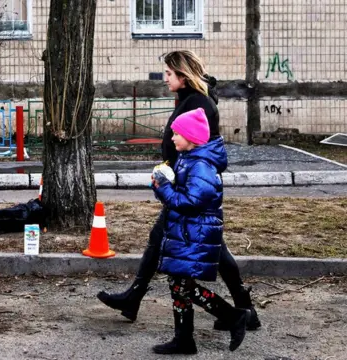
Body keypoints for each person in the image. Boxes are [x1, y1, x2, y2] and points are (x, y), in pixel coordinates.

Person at [97, 50, 261, 332]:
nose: (166, 78)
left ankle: (239, 314)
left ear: (183, 76)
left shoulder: (198, 103)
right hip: (184, 182)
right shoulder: (191, 99)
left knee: (183, 244)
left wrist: (172, 176)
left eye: (170, 73)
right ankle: (244, 310)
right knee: (197, 246)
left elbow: (196, 145)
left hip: (189, 187)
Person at [150, 107, 250, 354]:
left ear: (191, 137)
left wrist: (164, 189)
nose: (172, 138)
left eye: (176, 134)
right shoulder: (189, 160)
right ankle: (184, 339)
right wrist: (162, 183)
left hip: (194, 234)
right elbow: (180, 195)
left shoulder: (202, 166)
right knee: (177, 282)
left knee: (182, 285)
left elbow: (190, 203)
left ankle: (233, 315)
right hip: (186, 232)